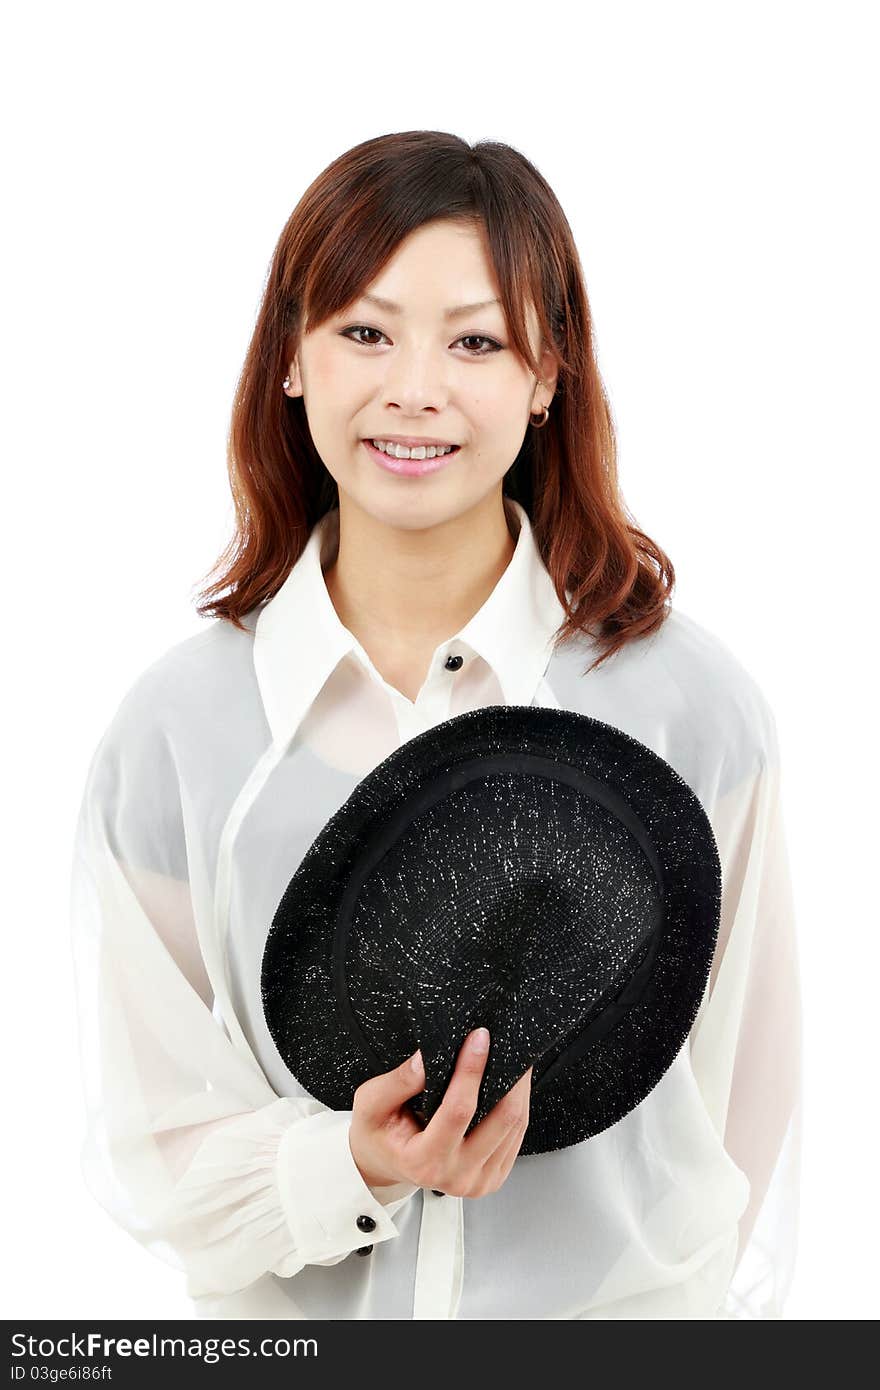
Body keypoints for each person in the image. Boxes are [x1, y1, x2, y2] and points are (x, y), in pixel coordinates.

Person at [69, 130, 802, 1320]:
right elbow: (158, 1143)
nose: (415, 387)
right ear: (291, 360)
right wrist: (351, 1168)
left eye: (475, 340)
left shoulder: (687, 707)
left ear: (547, 375)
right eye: (365, 331)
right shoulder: (182, 728)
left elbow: (732, 1119)